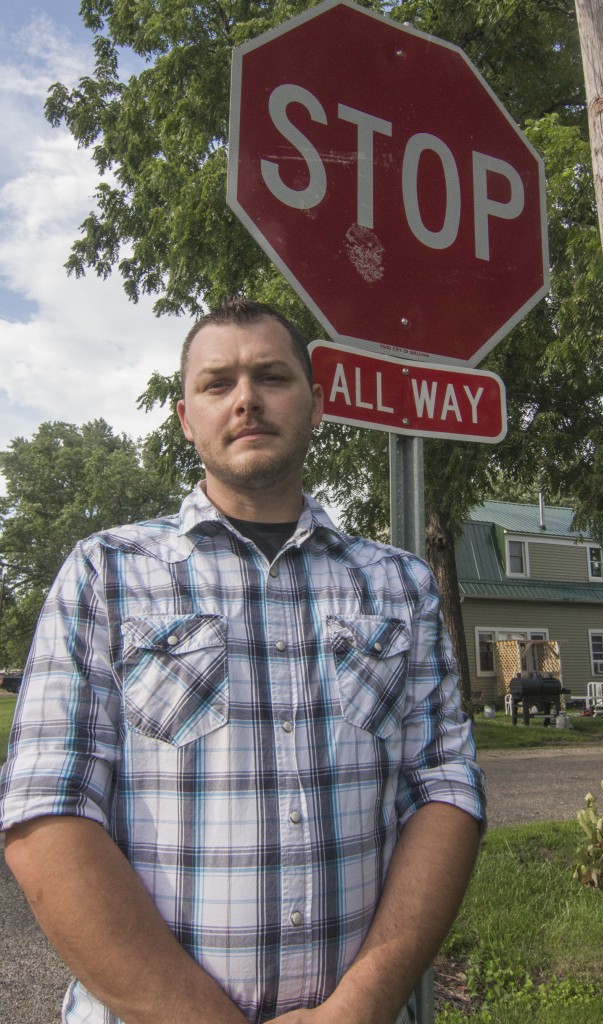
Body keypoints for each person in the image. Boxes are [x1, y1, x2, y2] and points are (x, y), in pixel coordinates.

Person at [0, 299, 486, 1024]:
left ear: (317, 406)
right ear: (185, 417)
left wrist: (359, 1007)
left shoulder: (399, 584)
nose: (246, 399)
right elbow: (48, 810)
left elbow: (444, 788)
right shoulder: (107, 571)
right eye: (217, 383)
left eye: (271, 376)